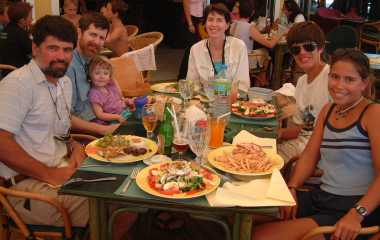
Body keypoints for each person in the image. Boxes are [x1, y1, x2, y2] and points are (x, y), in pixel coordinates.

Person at [253, 48, 380, 240]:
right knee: (247, 214)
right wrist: (293, 187)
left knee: (261, 236)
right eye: (335, 77)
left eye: (349, 79)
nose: (339, 85)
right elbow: (309, 156)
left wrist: (356, 214)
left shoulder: (373, 113)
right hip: (321, 196)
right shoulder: (328, 110)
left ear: (364, 83)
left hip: (353, 208)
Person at [0, 15, 88, 227]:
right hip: (26, 186)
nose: (61, 56)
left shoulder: (64, 83)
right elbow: (2, 143)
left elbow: (58, 130)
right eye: (53, 48)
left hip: (63, 168)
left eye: (67, 50)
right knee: (109, 203)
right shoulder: (18, 84)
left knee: (120, 185)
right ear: (35, 47)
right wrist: (51, 175)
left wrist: (75, 147)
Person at [277, 21, 330, 164]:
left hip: (321, 153)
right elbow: (304, 128)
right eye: (296, 50)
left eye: (308, 47)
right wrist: (279, 133)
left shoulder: (331, 78)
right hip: (300, 144)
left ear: (320, 48)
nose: (302, 53)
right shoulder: (301, 82)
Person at [66, 12, 118, 136]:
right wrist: (102, 130)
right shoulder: (68, 67)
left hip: (104, 118)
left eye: (101, 38)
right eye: (93, 35)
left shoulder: (94, 61)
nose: (96, 42)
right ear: (79, 33)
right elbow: (64, 117)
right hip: (86, 133)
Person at [186, 3, 250, 94]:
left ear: (227, 25)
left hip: (232, 103)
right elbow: (192, 84)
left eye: (219, 20)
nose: (214, 24)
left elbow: (243, 86)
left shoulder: (238, 46)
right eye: (210, 19)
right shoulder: (195, 49)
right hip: (204, 102)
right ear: (205, 23)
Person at [88, 55, 135, 124]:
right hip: (111, 121)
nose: (102, 76)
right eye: (97, 73)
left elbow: (118, 99)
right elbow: (99, 114)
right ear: (90, 75)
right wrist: (117, 117)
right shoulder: (94, 94)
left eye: (105, 73)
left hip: (124, 112)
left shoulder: (110, 86)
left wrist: (126, 101)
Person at [0, 1, 32, 68]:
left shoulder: (4, 31)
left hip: (5, 71)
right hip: (18, 72)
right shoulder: (20, 33)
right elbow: (34, 51)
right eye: (30, 17)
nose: (32, 19)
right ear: (22, 21)